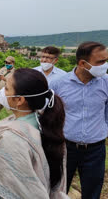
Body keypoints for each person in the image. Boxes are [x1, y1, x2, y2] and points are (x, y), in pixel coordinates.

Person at [0, 68, 69, 199]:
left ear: (19, 100)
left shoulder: (12, 138)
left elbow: (13, 188)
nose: (2, 92)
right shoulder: (44, 122)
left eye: (6, 88)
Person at [50, 41, 108, 199]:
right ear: (83, 63)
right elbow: (49, 115)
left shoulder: (106, 83)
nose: (105, 65)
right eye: (101, 62)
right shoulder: (58, 85)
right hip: (65, 148)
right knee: (57, 190)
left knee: (92, 192)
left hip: (95, 150)